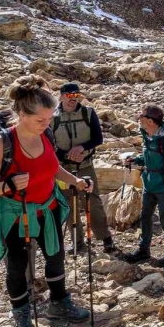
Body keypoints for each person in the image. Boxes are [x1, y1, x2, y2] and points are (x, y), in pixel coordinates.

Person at [0, 74, 94, 327]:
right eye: (40, 120)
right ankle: (21, 315)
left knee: (56, 256)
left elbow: (52, 168)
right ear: (21, 114)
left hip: (47, 209)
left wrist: (75, 181)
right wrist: (7, 186)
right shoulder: (1, 145)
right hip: (15, 216)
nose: (46, 124)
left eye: (49, 118)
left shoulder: (46, 135)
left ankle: (59, 303)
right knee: (17, 267)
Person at [51, 81, 117, 255]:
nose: (74, 98)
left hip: (85, 165)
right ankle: (77, 241)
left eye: (77, 95)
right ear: (62, 96)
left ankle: (105, 238)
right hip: (63, 168)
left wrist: (82, 148)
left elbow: (98, 138)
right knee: (68, 205)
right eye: (70, 95)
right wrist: (67, 155)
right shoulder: (52, 117)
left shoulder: (88, 113)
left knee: (93, 202)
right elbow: (49, 144)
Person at [120, 105, 164, 266]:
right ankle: (144, 250)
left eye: (141, 116)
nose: (139, 118)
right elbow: (148, 157)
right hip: (148, 184)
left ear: (150, 120)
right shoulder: (147, 134)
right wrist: (135, 160)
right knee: (145, 216)